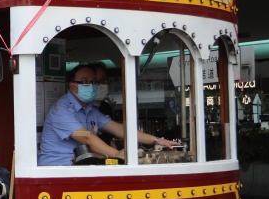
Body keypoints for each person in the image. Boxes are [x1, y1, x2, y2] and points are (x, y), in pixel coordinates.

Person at [38, 66, 178, 165]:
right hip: (56, 170)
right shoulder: (61, 111)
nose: (91, 85)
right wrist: (116, 154)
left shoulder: (90, 110)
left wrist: (156, 140)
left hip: (80, 166)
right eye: (85, 81)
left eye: (93, 82)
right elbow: (86, 137)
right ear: (72, 85)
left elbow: (118, 129)